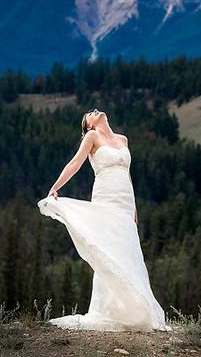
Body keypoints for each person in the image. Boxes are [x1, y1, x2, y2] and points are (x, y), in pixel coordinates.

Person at [37, 108, 171, 332]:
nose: (95, 111)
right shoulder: (92, 137)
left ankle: (134, 310)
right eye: (90, 113)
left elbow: (128, 175)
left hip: (125, 201)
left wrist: (135, 208)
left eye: (95, 110)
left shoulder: (122, 139)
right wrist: (55, 187)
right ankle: (108, 311)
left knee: (128, 251)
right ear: (89, 125)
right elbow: (76, 163)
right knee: (109, 248)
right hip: (106, 196)